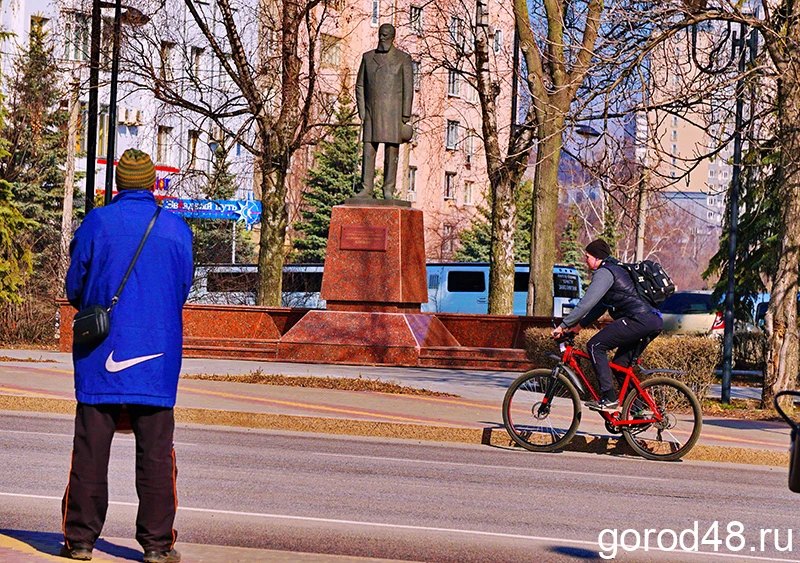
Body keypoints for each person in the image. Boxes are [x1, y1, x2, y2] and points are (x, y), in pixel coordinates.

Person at [61, 149, 193, 563]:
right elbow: (182, 288)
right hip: (157, 353)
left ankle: (81, 541)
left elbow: (74, 285)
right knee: (156, 454)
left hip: (101, 352)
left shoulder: (97, 222)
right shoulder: (175, 228)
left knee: (90, 450)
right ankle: (156, 545)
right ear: (153, 183)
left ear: (118, 184)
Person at [552, 239, 663, 412]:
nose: (585, 261)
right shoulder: (616, 270)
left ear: (597, 258)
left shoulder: (605, 272)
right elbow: (599, 307)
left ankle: (609, 398)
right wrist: (578, 327)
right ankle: (638, 412)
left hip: (638, 319)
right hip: (651, 320)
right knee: (620, 366)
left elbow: (586, 303)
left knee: (595, 345)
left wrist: (563, 325)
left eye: (587, 257)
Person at [354, 23, 414, 199]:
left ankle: (388, 189)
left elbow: (408, 88)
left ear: (392, 37)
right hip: (371, 112)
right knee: (368, 151)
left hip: (393, 113)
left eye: (386, 35)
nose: (382, 38)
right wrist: (362, 110)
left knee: (391, 151)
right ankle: (366, 188)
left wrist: (405, 114)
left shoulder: (403, 58)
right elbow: (360, 85)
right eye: (380, 34)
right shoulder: (368, 57)